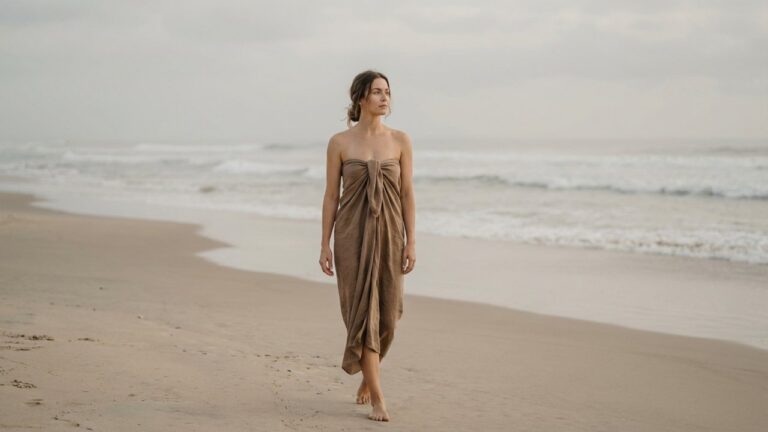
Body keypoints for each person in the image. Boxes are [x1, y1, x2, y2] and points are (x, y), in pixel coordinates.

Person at [319, 69, 416, 422]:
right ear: (360, 97)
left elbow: (407, 194)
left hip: (389, 234)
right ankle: (378, 397)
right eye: (377, 91)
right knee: (361, 315)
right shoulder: (339, 143)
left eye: (387, 91)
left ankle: (367, 372)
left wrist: (411, 241)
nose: (384, 97)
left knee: (389, 316)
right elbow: (332, 196)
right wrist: (325, 244)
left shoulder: (401, 140)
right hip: (351, 236)